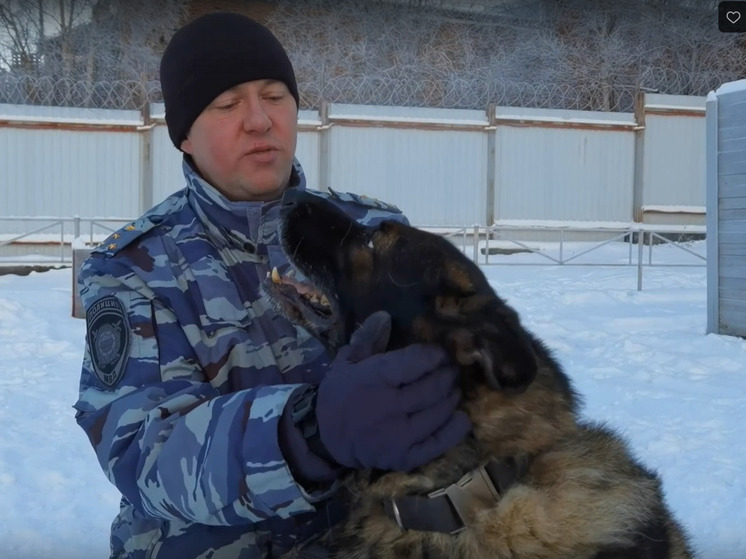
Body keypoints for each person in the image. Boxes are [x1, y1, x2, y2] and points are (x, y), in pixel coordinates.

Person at [74, 11, 471, 559]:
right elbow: (144, 454)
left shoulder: (374, 233)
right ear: (185, 136)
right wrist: (306, 432)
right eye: (227, 104)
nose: (260, 121)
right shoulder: (135, 268)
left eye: (275, 96)